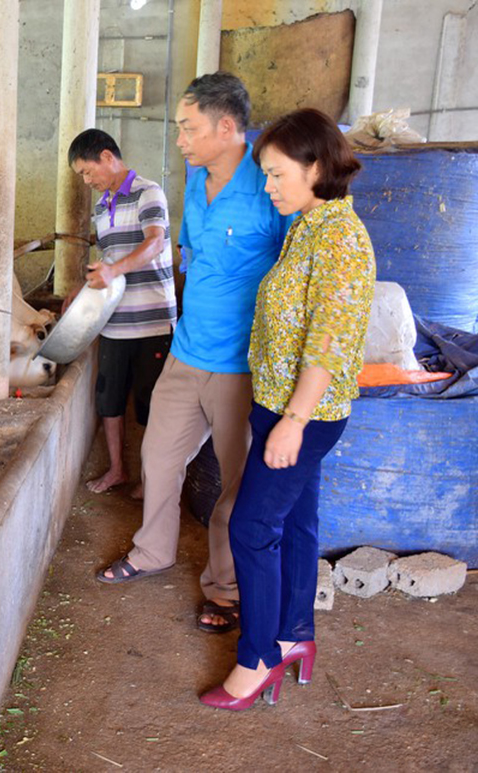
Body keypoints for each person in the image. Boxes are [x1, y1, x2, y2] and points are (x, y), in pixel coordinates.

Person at [97, 72, 293, 637]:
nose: (179, 139)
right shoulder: (196, 177)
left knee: (236, 485)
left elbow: (292, 273)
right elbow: (191, 259)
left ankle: (225, 587)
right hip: (187, 353)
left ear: (226, 127)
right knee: (158, 460)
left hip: (241, 367)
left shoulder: (271, 185)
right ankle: (153, 550)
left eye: (189, 128)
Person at [200, 108, 375, 709]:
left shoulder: (342, 240)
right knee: (296, 521)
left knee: (252, 527)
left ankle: (257, 658)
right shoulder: (309, 225)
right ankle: (296, 634)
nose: (269, 187)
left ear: (317, 167)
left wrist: (293, 423)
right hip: (279, 404)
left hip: (304, 414)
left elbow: (328, 340)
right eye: (266, 175)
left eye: (277, 175)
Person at [64, 129, 176, 497]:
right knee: (109, 401)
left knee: (151, 406)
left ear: (108, 157)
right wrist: (81, 290)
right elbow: (109, 262)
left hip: (152, 322)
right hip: (113, 323)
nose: (87, 180)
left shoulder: (148, 192)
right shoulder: (101, 207)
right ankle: (117, 470)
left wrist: (115, 270)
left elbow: (155, 242)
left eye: (87, 171)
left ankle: (150, 477)